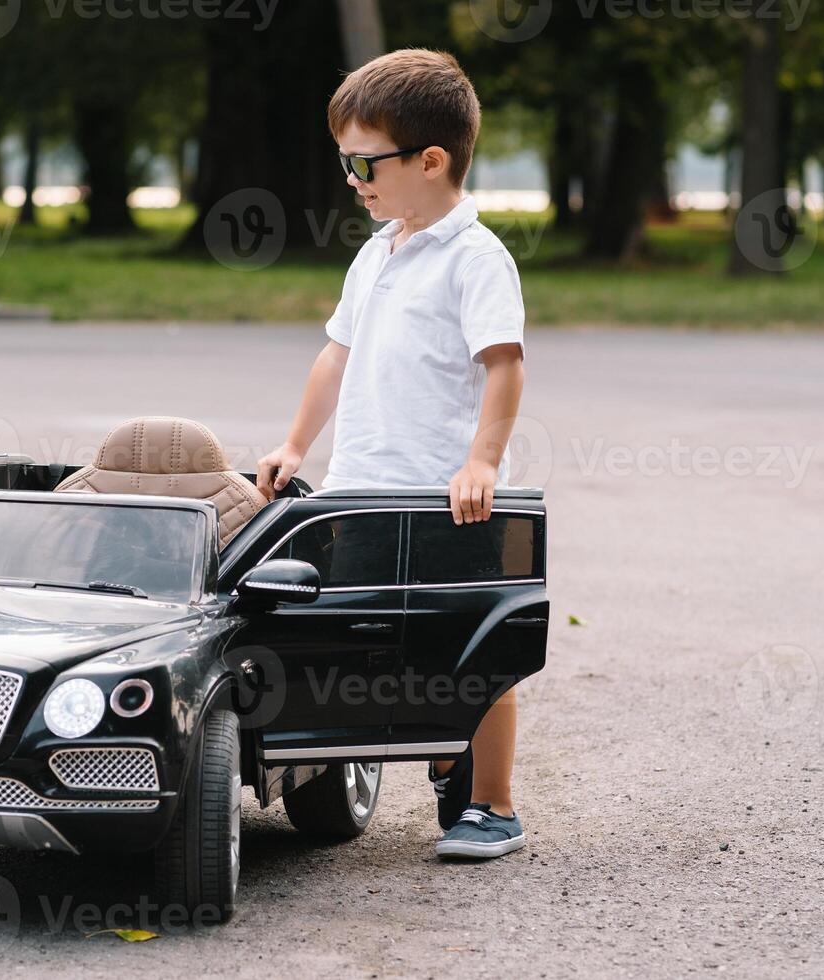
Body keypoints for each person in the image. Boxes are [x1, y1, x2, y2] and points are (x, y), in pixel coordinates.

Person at [255, 48, 528, 860]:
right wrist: (296, 441)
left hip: (446, 498)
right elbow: (336, 353)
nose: (351, 178)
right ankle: (446, 754)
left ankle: (493, 804)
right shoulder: (376, 251)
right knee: (367, 640)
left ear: (430, 160)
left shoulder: (476, 258)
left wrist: (481, 462)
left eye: (362, 162)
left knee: (472, 650)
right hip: (361, 488)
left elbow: (503, 365)